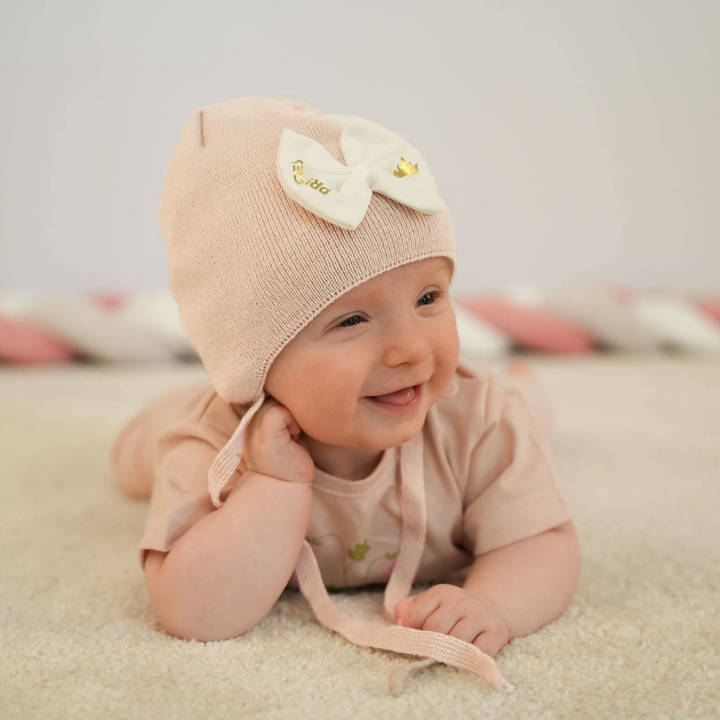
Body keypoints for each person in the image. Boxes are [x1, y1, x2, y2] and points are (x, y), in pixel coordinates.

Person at [110, 97, 580, 696]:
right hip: (199, 425)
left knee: (524, 415)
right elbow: (194, 613)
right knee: (135, 456)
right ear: (257, 360)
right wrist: (275, 487)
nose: (410, 348)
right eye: (352, 320)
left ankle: (530, 389)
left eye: (428, 298)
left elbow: (543, 540)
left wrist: (492, 602)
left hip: (484, 408)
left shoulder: (479, 417)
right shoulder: (213, 446)